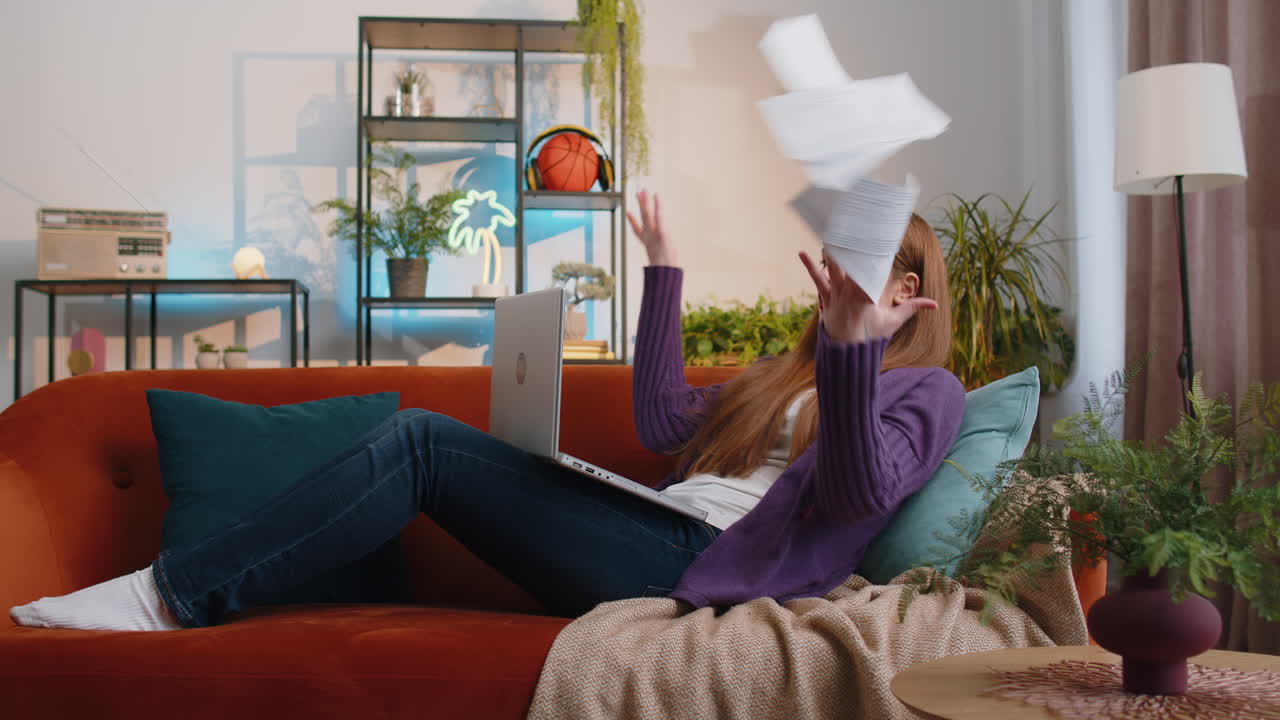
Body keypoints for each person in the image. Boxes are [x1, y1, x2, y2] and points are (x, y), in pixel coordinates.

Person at [9, 190, 964, 631]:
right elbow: (665, 423)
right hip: (659, 527)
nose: (833, 277)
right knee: (429, 445)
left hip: (702, 566)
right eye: (835, 261)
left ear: (911, 288)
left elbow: (857, 491)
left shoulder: (930, 391)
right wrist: (663, 266)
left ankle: (167, 595)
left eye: (862, 263)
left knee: (422, 442)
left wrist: (852, 349)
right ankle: (174, 594)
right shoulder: (783, 371)